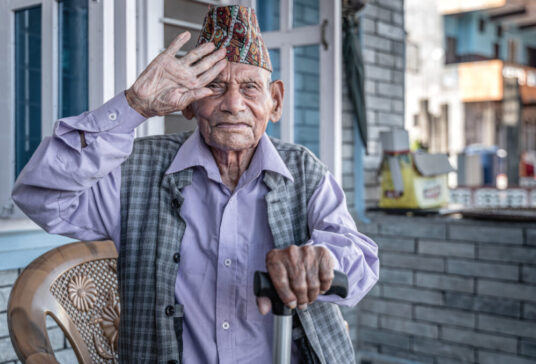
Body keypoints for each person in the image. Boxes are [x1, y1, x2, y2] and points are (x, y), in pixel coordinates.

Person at [12, 5, 378, 364]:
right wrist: (133, 106)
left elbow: (361, 261)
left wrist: (322, 259)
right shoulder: (136, 169)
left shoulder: (304, 169)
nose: (233, 104)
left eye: (251, 88)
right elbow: (42, 196)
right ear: (188, 104)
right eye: (214, 87)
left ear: (275, 101)